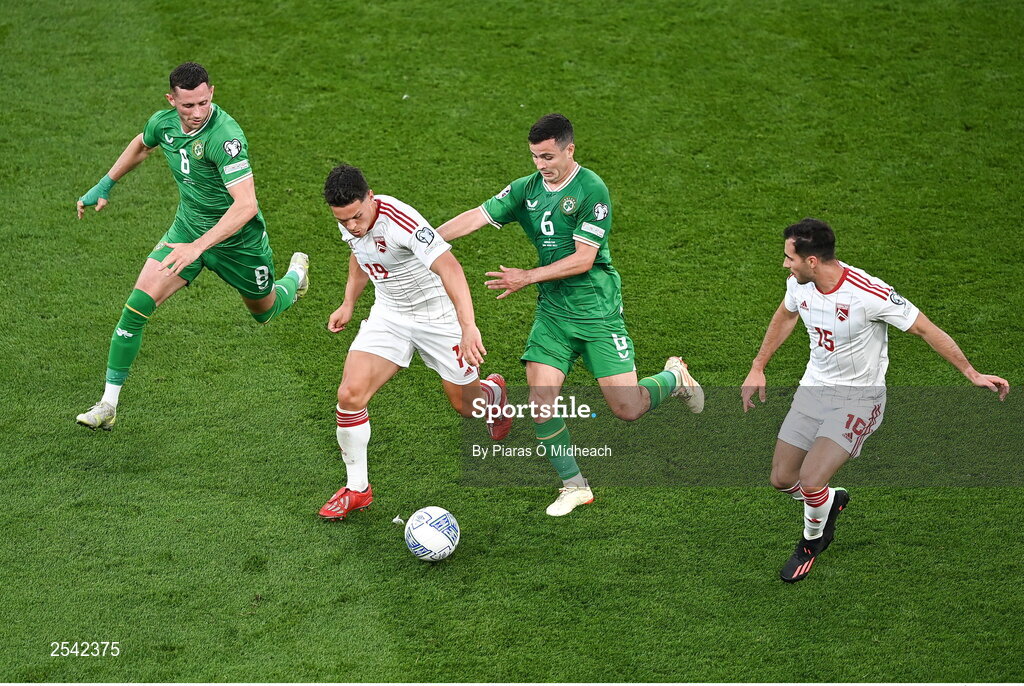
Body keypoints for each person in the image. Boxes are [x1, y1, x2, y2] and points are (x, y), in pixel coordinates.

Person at [437, 113, 704, 517]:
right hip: (553, 314)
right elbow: (477, 215)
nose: (541, 165)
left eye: (547, 156)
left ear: (569, 149)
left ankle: (675, 376)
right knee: (541, 400)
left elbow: (583, 259)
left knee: (627, 408)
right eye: (534, 157)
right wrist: (426, 240)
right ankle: (574, 485)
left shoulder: (591, 189)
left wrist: (527, 276)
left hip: (597, 313)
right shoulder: (526, 189)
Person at [741, 218, 1010, 583]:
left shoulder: (869, 293)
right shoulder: (798, 285)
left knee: (810, 480)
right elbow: (786, 316)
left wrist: (972, 372)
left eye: (790, 258)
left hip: (858, 400)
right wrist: (758, 366)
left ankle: (810, 542)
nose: (785, 265)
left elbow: (924, 328)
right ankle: (830, 502)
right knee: (781, 478)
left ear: (813, 260)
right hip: (813, 391)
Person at [74, 62, 308, 431]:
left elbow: (246, 206)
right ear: (172, 100)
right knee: (135, 308)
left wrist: (198, 248)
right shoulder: (163, 123)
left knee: (263, 311)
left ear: (211, 92)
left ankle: (294, 278)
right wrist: (105, 184)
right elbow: (142, 144)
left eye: (203, 103)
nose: (197, 113)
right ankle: (108, 404)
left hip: (238, 242)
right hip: (187, 231)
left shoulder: (225, 137)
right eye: (188, 106)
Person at [319, 164, 512, 520]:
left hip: (437, 318)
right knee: (349, 394)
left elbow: (450, 268)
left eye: (357, 217)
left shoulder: (401, 221)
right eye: (343, 221)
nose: (352, 226)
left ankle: (492, 394)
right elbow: (359, 255)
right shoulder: (349, 218)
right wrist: (348, 303)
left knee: (467, 408)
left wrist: (467, 326)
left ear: (371, 197)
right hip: (389, 315)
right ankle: (358, 488)